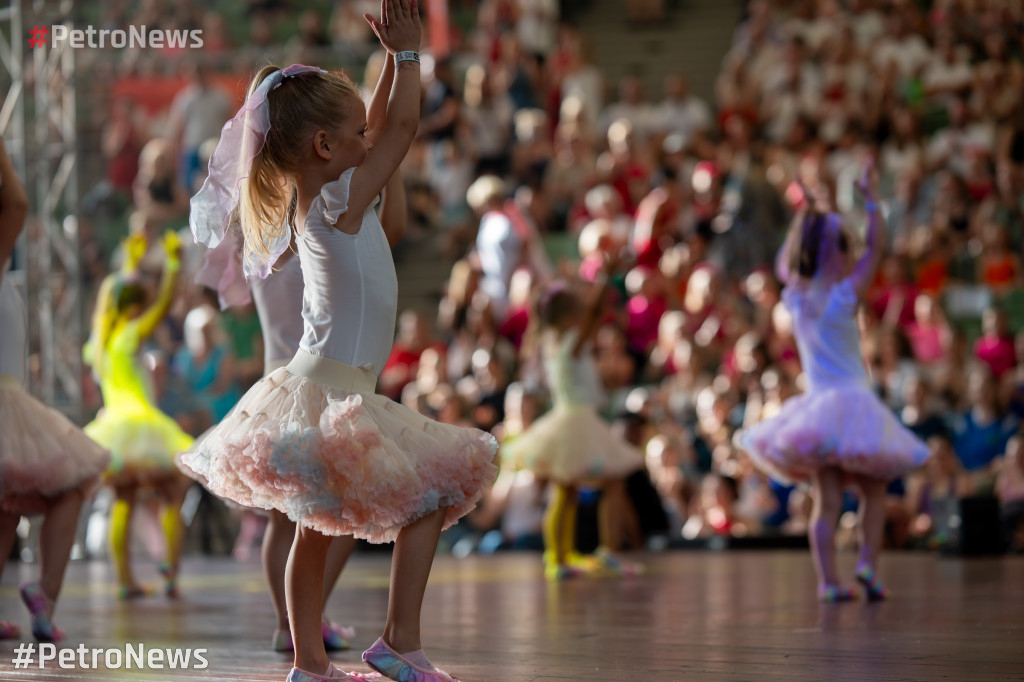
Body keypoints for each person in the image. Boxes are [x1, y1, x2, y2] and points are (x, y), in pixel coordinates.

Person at [178, 2, 498, 680]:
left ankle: (335, 657)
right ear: (326, 148)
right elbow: (403, 125)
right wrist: (408, 56)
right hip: (333, 389)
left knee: (330, 527)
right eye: (354, 133)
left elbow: (379, 123)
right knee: (393, 508)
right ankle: (363, 651)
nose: (369, 137)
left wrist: (387, 62)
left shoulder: (324, 190)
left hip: (333, 384)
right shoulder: (336, 202)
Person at [192, 168, 408, 655]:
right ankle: (303, 619)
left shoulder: (260, 233)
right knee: (340, 512)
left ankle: (289, 621)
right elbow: (389, 235)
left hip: (277, 379)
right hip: (312, 381)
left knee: (288, 520)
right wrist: (389, 173)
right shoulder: (312, 228)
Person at [735, 160, 929, 602]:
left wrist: (807, 211)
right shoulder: (844, 295)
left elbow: (786, 262)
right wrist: (872, 200)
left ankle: (827, 582)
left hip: (819, 409)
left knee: (826, 500)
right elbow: (877, 249)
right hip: (856, 405)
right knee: (874, 493)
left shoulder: (797, 299)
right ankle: (867, 567)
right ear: (839, 250)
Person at [0, 139, 110, 640]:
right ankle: (45, 593)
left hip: (12, 403)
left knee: (11, 505)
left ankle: (43, 596)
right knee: (61, 486)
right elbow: (18, 204)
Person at [501, 268, 645, 581]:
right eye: (578, 313)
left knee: (567, 490)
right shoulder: (570, 341)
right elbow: (596, 313)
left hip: (572, 419)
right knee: (608, 482)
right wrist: (607, 279)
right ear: (569, 317)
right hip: (576, 420)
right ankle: (598, 551)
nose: (584, 319)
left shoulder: (554, 340)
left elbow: (591, 314)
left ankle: (560, 556)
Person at [84, 231, 195, 600]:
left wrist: (130, 264)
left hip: (114, 427)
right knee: (173, 489)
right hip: (141, 425)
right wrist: (173, 264)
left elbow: (117, 297)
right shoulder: (132, 333)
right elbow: (164, 303)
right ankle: (170, 572)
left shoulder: (101, 342)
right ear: (135, 307)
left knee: (123, 500)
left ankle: (125, 579)